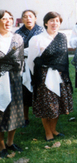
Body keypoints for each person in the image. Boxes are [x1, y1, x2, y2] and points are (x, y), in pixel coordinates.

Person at [27, 12, 73, 141]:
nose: (54, 23)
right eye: (51, 20)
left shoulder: (62, 37)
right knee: (46, 105)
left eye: (57, 21)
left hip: (60, 76)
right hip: (44, 77)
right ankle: (48, 132)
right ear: (46, 22)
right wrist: (39, 76)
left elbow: (64, 58)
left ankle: (53, 129)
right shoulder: (37, 39)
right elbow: (31, 61)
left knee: (58, 104)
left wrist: (61, 72)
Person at [0, 10, 24, 158]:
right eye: (4, 18)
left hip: (14, 79)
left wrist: (18, 76)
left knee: (13, 112)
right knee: (0, 112)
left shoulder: (17, 38)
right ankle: (1, 144)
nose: (8, 21)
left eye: (10, 18)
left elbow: (20, 60)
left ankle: (10, 142)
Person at [15, 10, 44, 127]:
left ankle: (43, 115)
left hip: (38, 63)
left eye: (30, 16)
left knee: (40, 89)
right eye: (25, 17)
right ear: (22, 19)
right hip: (24, 63)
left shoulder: (41, 31)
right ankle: (25, 117)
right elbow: (16, 49)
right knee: (24, 91)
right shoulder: (18, 33)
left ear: (35, 18)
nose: (28, 19)